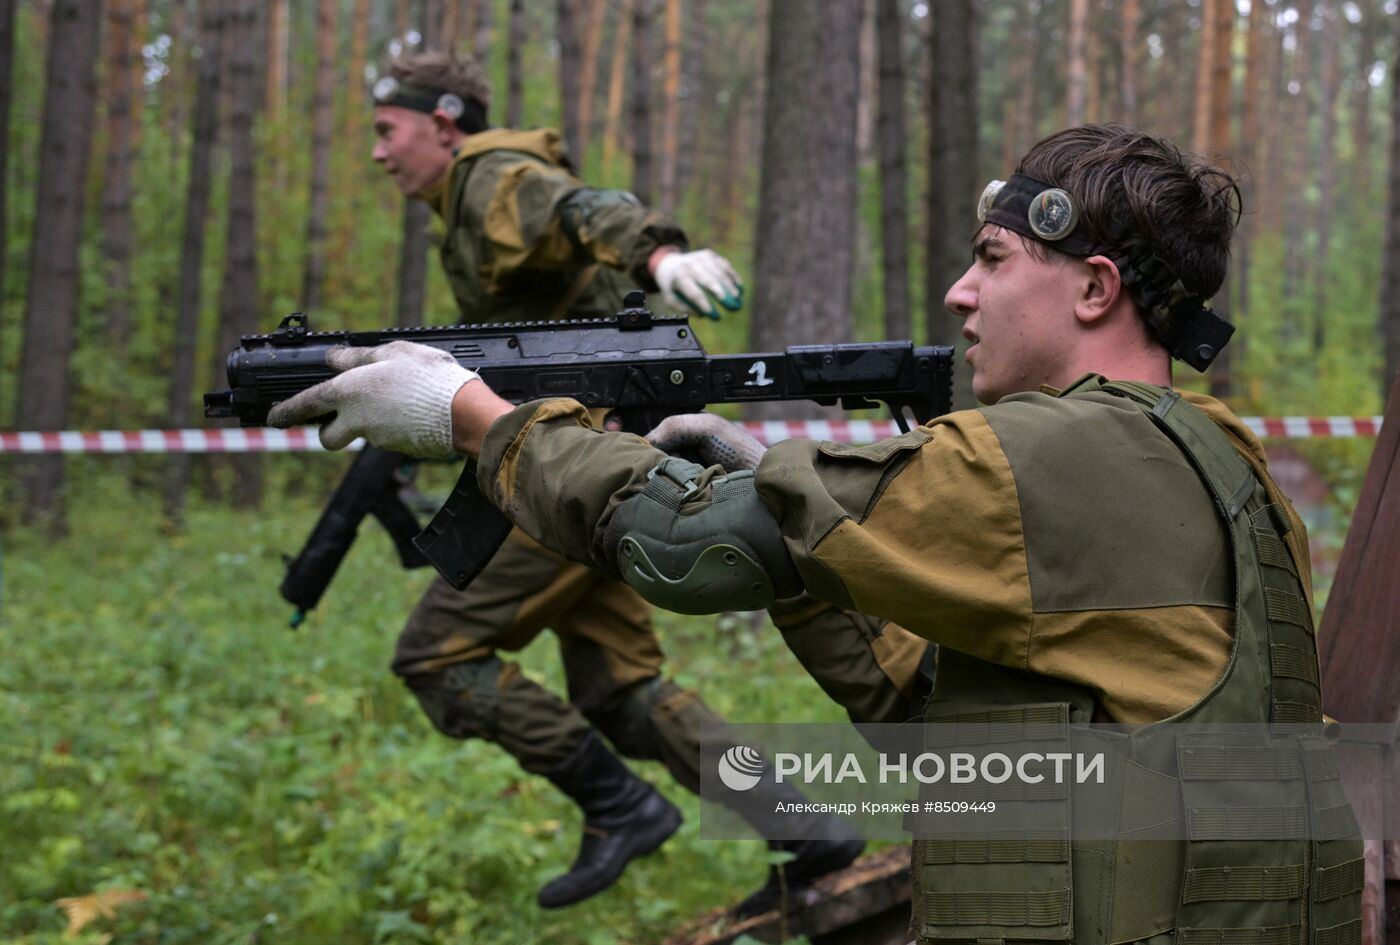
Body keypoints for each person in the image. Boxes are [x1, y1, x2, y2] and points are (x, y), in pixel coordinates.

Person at [273, 124, 1363, 942]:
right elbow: (964, 741)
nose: (957, 292)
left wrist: (468, 415)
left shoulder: (1044, 453)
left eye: (989, 259)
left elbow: (679, 545)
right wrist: (813, 554)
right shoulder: (1222, 458)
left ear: (1092, 287)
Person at [354, 51, 884, 914]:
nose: (378, 153)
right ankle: (807, 828)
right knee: (623, 690)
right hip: (590, 453)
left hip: (570, 465)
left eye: (388, 132)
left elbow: (581, 210)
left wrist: (659, 256)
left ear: (442, 125)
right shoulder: (458, 207)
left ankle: (619, 805)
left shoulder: (493, 177)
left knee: (436, 657)